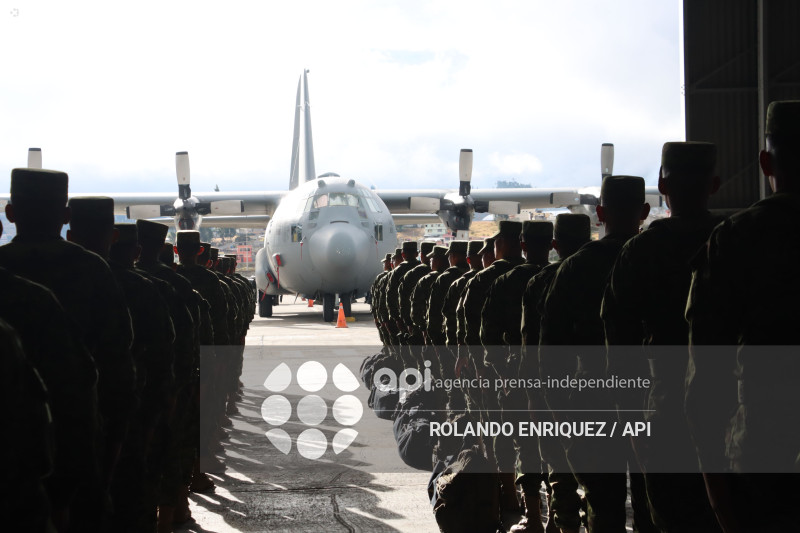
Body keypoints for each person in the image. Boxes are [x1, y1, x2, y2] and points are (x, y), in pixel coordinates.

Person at [686, 100, 800, 532]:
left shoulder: (735, 239)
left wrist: (719, 502)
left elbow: (705, 380)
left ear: (765, 162)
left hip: (763, 462)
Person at [601, 142, 723, 533]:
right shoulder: (739, 243)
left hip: (666, 416)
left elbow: (619, 349)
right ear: (715, 185)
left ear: (662, 187)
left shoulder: (640, 253)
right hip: (735, 415)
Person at [1, 180, 135, 532]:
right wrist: (105, 461)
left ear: (10, 213)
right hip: (71, 448)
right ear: (64, 216)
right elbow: (114, 371)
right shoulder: (93, 271)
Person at [539, 176, 651, 533]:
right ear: (645, 211)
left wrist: (560, 414)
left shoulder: (575, 268)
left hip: (592, 402)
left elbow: (551, 352)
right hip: (658, 402)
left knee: (603, 507)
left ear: (600, 214)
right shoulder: (664, 257)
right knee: (656, 508)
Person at [481, 221, 554, 533]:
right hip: (562, 375)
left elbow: (489, 334)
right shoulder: (561, 275)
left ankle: (533, 516)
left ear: (523, 245)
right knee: (558, 444)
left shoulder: (506, 281)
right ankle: (558, 517)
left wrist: (503, 372)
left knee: (525, 442)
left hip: (518, 374)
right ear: (551, 245)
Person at [520, 214, 591, 533]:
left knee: (559, 465)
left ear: (555, 244)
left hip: (556, 391)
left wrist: (534, 396)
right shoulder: (609, 270)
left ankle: (562, 524)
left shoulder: (542, 282)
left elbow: (532, 346)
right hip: (611, 388)